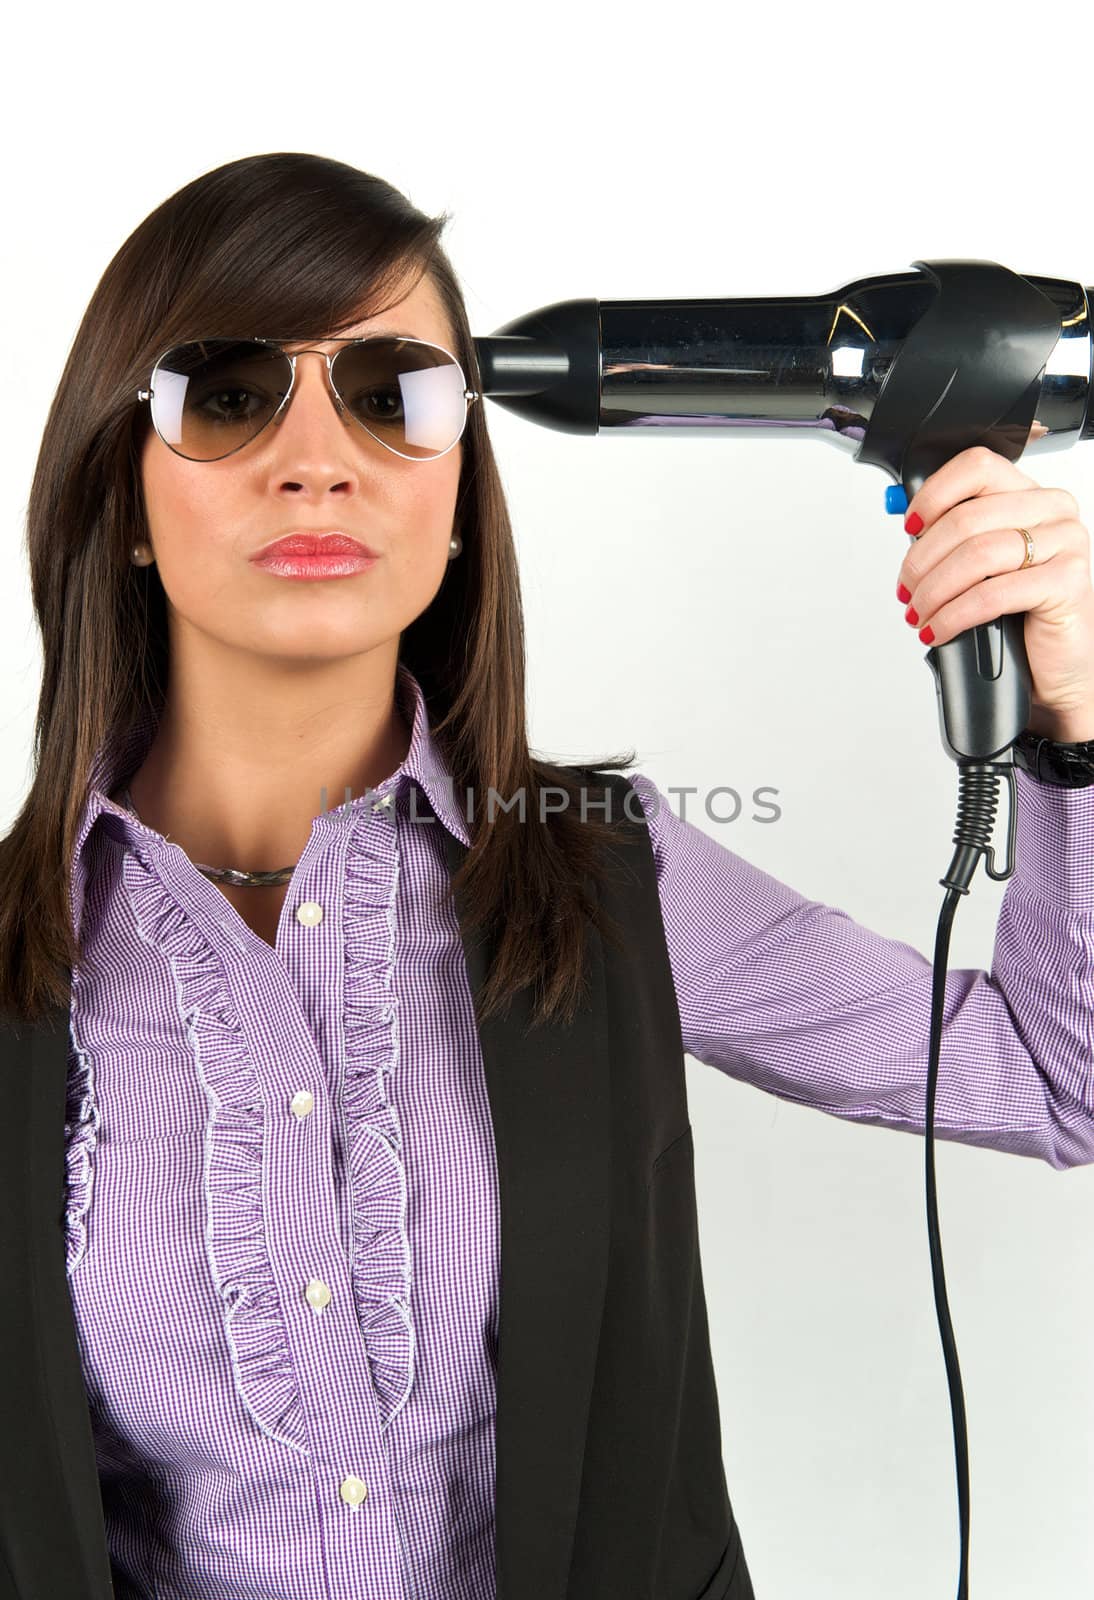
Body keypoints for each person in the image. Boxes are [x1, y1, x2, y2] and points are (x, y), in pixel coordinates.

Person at [0, 151, 1092, 1600]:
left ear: (457, 497)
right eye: (227, 392)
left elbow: (1053, 1076)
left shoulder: (610, 876)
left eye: (394, 395)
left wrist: (1074, 733)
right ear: (123, 496)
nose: (317, 455)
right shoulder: (22, 956)